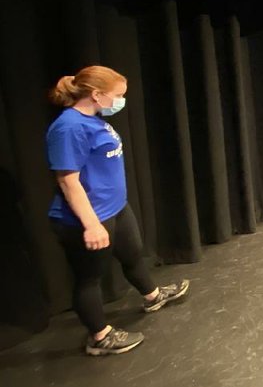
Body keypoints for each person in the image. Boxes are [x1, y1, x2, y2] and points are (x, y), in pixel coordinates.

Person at [46, 66, 190, 356]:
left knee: (133, 253)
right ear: (97, 95)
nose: (121, 101)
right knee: (89, 279)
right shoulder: (68, 128)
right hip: (85, 218)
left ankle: (152, 296)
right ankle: (99, 338)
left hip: (115, 208)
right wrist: (91, 225)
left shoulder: (94, 118)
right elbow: (67, 181)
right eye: (118, 96)